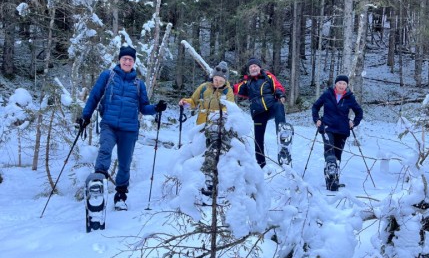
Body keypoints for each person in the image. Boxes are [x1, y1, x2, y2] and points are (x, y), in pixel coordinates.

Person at [79, 45, 167, 210]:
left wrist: (156, 108)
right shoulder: (108, 76)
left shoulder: (138, 84)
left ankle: (120, 196)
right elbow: (95, 96)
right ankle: (98, 183)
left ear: (133, 62)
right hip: (109, 124)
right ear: (119, 60)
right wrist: (86, 116)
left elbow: (144, 107)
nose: (127, 61)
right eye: (125, 58)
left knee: (125, 163)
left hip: (129, 129)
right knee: (105, 150)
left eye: (130, 59)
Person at [179, 61, 235, 195]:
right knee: (198, 154)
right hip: (201, 126)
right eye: (216, 79)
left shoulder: (227, 91)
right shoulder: (204, 87)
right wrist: (185, 102)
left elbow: (230, 107)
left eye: (220, 81)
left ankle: (210, 184)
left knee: (212, 154)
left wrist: (221, 116)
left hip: (217, 128)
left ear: (225, 80)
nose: (217, 82)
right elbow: (193, 101)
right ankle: (194, 182)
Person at [311, 74, 363, 190]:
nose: (342, 85)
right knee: (330, 152)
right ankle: (330, 179)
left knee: (337, 156)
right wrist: (317, 119)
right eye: (340, 83)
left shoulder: (350, 98)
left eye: (344, 84)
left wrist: (354, 123)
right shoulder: (327, 94)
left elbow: (359, 112)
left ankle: (334, 180)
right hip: (327, 128)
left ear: (346, 86)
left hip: (342, 130)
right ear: (335, 84)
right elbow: (315, 107)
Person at [234, 57, 287, 168]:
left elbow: (277, 86)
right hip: (258, 112)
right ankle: (261, 163)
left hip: (271, 105)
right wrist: (222, 84)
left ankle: (282, 132)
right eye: (251, 67)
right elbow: (235, 89)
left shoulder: (268, 77)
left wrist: (280, 95)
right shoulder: (246, 82)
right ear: (249, 70)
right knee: (258, 139)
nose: (253, 68)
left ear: (259, 67)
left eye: (255, 66)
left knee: (279, 105)